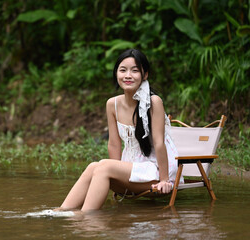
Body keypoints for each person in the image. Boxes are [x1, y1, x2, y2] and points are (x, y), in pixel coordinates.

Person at [57, 49, 182, 212]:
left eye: (135, 70)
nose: (128, 75)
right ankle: (61, 211)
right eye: (123, 70)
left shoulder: (154, 102)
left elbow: (159, 143)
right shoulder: (112, 104)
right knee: (94, 166)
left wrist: (165, 180)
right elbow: (114, 143)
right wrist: (115, 173)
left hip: (155, 169)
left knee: (103, 166)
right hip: (131, 167)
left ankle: (85, 219)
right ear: (116, 73)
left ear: (145, 75)